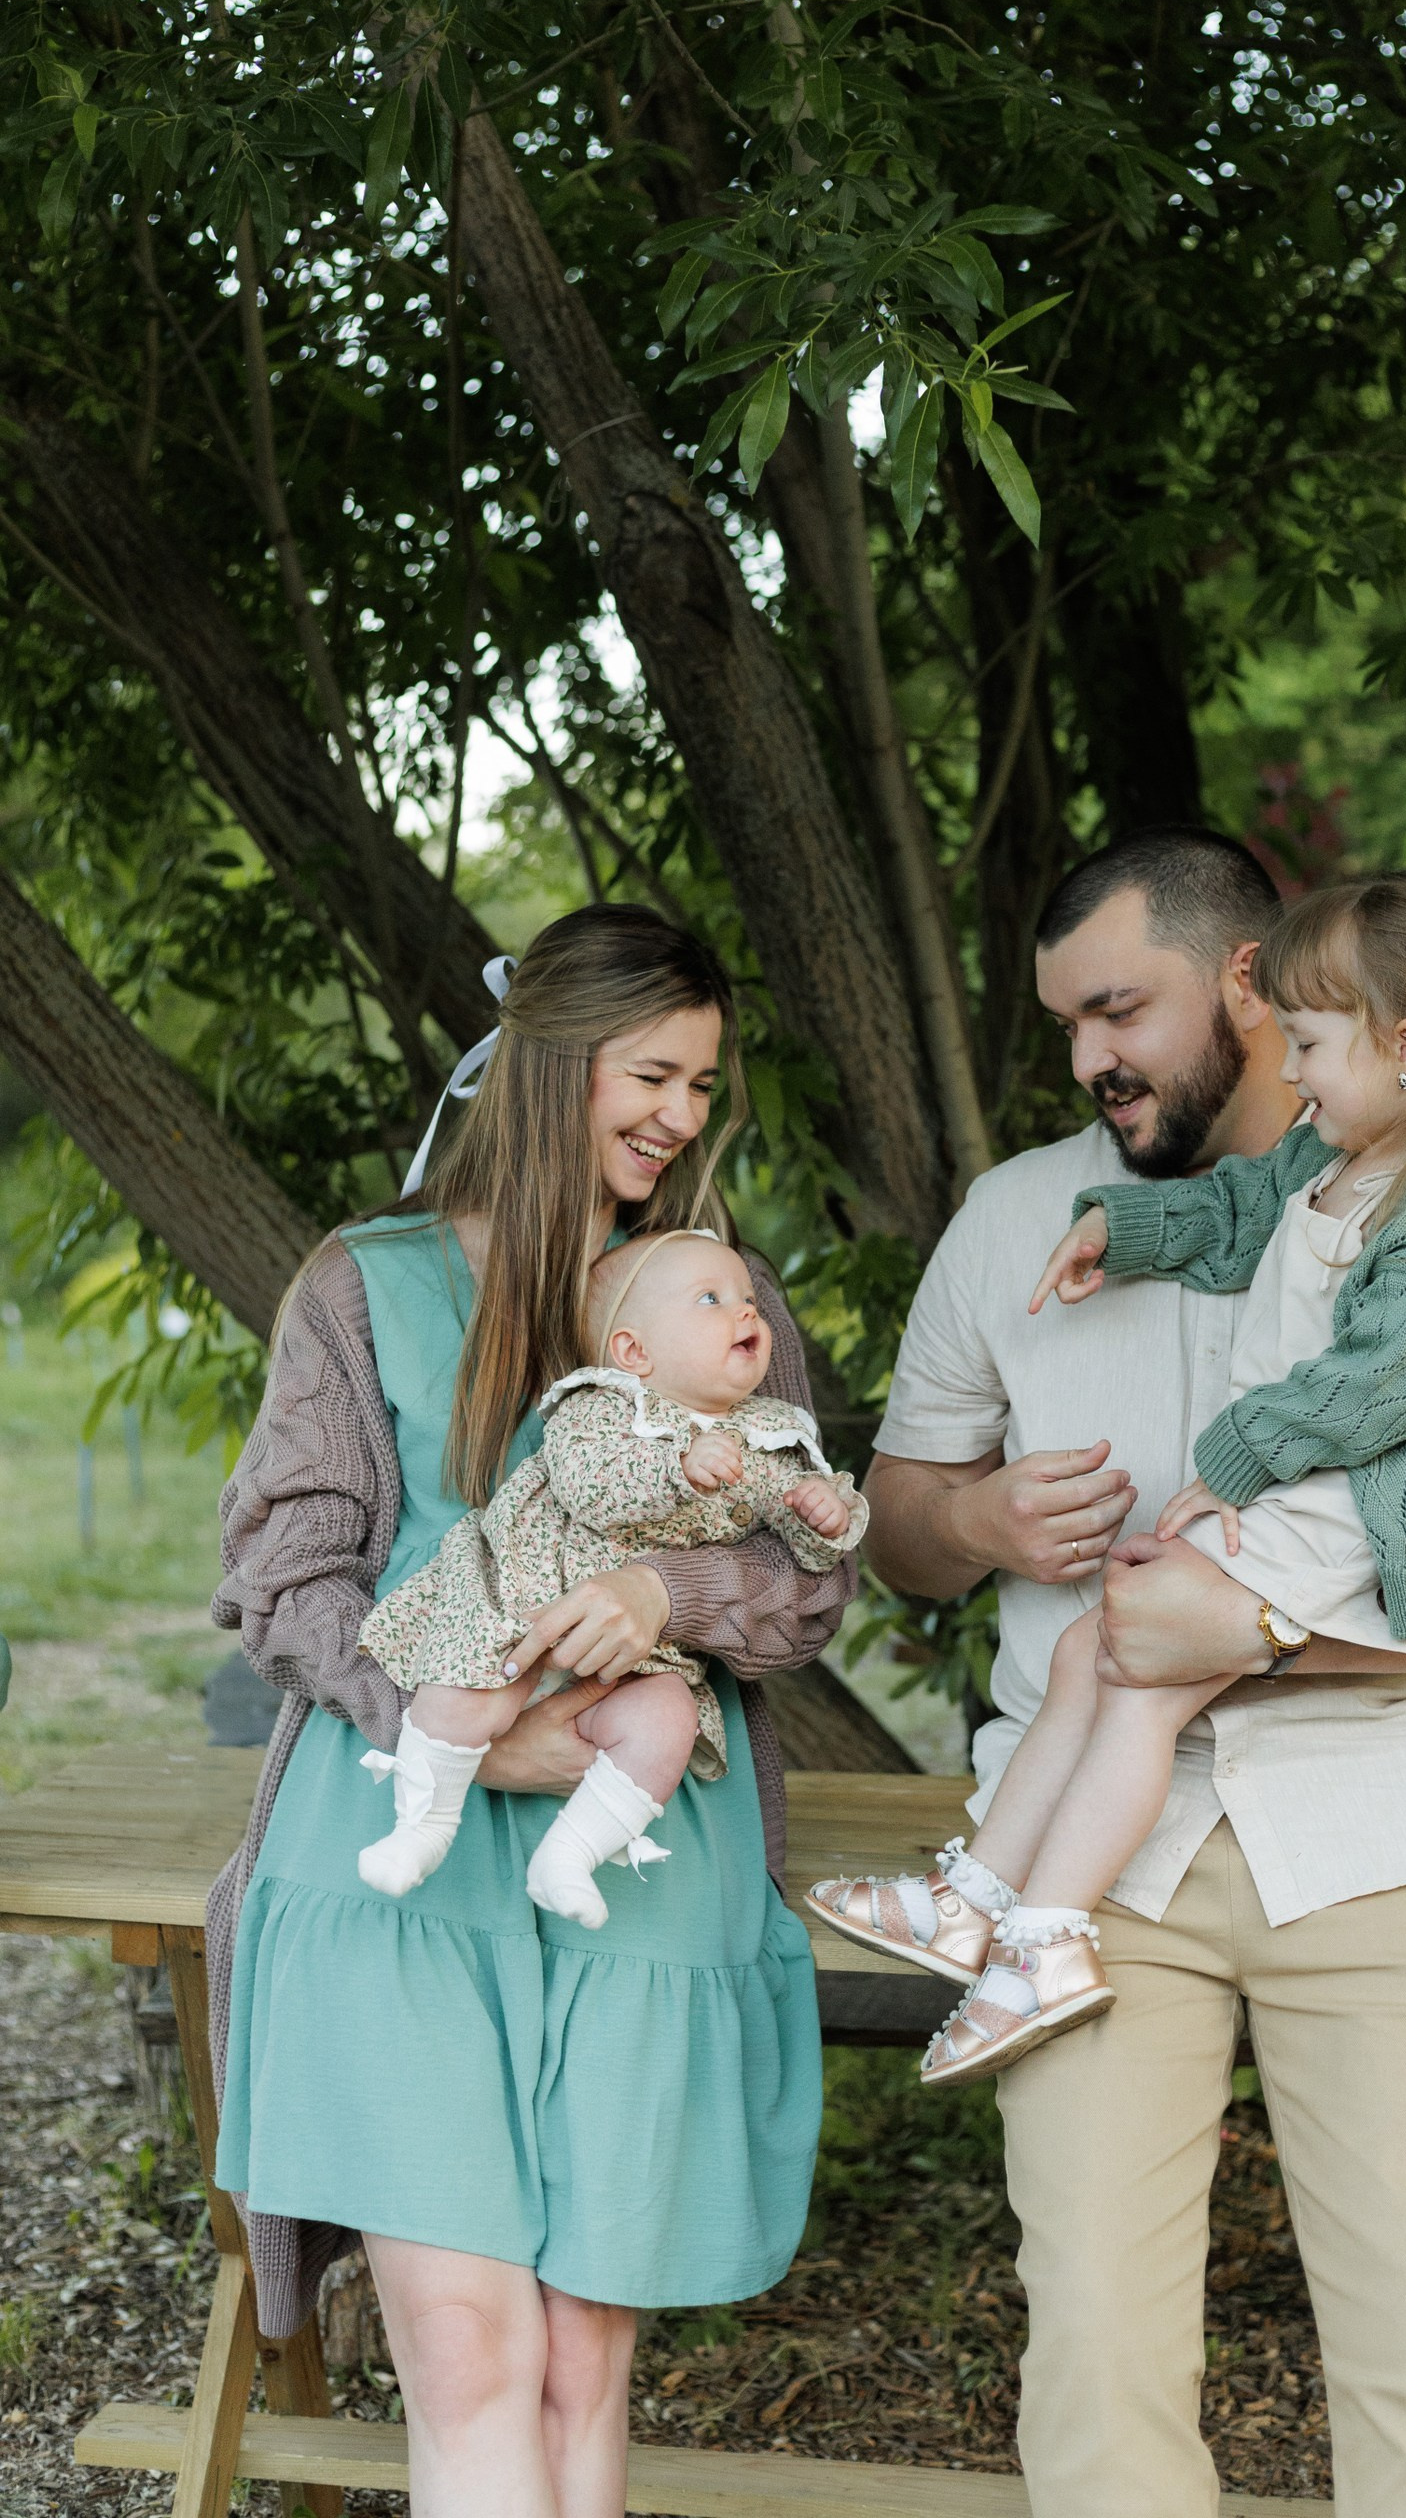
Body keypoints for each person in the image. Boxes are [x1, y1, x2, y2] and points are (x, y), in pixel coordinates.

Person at [859, 832, 1406, 2518]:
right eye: (1062, 1026)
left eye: (1117, 1008)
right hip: (1088, 1878)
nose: (1086, 1058)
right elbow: (897, 1533)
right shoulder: (1017, 1218)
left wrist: (1259, 1633)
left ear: (1257, 989)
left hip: (1379, 1840)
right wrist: (974, 1513)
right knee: (1097, 2373)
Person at [207, 905, 854, 2518]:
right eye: (654, 1073)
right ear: (555, 1060)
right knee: (471, 2350)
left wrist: (666, 1600)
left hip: (632, 1867)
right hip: (402, 1868)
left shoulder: (712, 1294)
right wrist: (475, 1737)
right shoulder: (368, 1287)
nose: (683, 1118)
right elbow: (286, 1583)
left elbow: (813, 1569)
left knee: (579, 2364)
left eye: (704, 1083)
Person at [818, 874, 1406, 2097]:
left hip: (1363, 1555)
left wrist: (1233, 1485)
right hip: (1269, 1593)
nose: (1293, 1073)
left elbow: (1383, 1381)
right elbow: (1241, 1208)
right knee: (1101, 1654)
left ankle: (1039, 1936)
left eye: (1118, 1008)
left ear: (1402, 1049)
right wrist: (1121, 1233)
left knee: (1136, 1672)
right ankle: (974, 1896)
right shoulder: (1331, 1155)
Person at [357, 1228, 863, 1916]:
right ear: (633, 1351)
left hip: (640, 1656)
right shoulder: (603, 1407)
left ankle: (570, 1857)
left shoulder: (769, 1435)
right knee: (475, 1687)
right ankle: (424, 1825)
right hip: (529, 1608)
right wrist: (675, 1470)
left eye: (748, 1298)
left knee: (666, 1721)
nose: (747, 1312)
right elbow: (590, 1487)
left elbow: (802, 1556)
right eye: (711, 1299)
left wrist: (824, 1513)